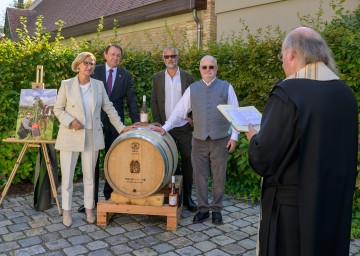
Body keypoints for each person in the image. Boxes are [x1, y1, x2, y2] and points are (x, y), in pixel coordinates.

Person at [245, 27, 358, 256]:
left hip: (292, 215)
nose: (282, 63)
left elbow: (263, 159)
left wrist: (254, 139)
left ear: (292, 54)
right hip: (333, 206)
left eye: (281, 56)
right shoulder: (346, 94)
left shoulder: (288, 92)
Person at [151, 55, 239, 225]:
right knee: (200, 176)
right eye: (204, 67)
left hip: (220, 139)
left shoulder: (226, 87)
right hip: (198, 140)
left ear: (216, 68)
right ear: (200, 69)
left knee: (219, 176)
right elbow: (179, 112)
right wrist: (165, 128)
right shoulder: (192, 88)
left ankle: (217, 210)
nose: (208, 70)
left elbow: (235, 114)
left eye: (211, 67)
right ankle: (203, 209)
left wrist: (234, 137)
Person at [54, 52, 134, 227]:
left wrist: (121, 127)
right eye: (86, 63)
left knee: (90, 176)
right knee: (67, 177)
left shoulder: (98, 85)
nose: (89, 66)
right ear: (78, 66)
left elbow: (109, 108)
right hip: (70, 135)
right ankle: (67, 212)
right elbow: (58, 109)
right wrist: (70, 121)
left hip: (92, 135)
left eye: (92, 63)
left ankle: (90, 210)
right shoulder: (66, 85)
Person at [77, 44, 140, 213]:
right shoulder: (93, 70)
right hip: (94, 122)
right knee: (92, 162)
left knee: (114, 161)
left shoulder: (125, 76)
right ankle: (91, 201)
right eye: (112, 54)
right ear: (105, 55)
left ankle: (110, 196)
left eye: (118, 55)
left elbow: (132, 100)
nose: (115, 58)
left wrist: (137, 123)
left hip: (115, 123)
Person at [151, 46, 197, 212]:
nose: (170, 59)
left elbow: (195, 99)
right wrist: (157, 121)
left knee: (187, 159)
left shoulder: (187, 76)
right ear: (163, 59)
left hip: (183, 126)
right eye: (167, 56)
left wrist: (192, 117)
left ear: (178, 57)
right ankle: (172, 194)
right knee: (169, 161)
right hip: (165, 127)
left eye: (173, 56)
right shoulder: (157, 78)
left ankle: (188, 197)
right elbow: (154, 101)